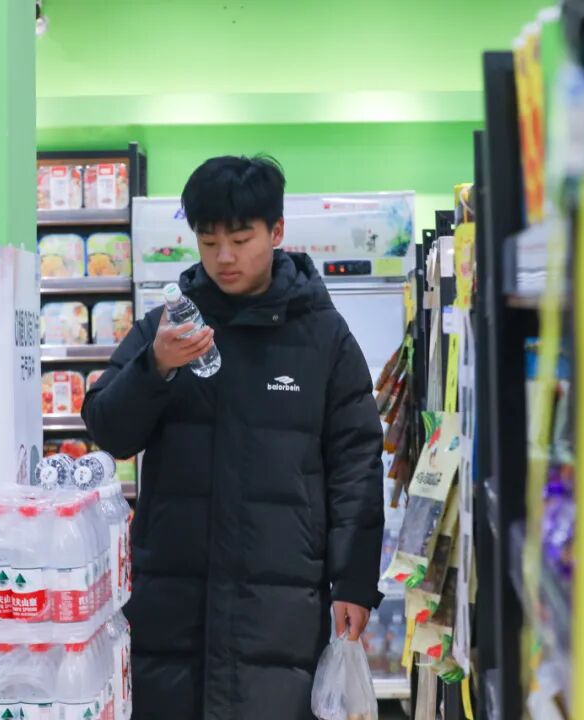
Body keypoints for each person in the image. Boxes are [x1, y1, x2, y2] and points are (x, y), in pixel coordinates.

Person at [83, 155, 385, 719]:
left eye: (241, 239)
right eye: (209, 241)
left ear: (277, 231)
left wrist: (354, 581)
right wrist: (155, 367)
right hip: (175, 602)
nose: (224, 257)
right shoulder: (167, 330)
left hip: (279, 603)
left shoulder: (323, 336)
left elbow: (357, 464)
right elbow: (109, 429)